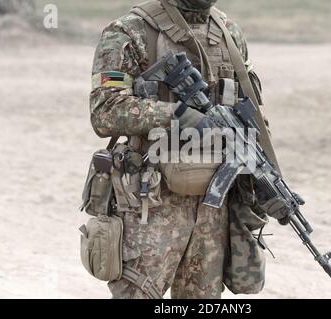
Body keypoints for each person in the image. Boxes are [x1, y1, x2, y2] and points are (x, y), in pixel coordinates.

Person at [89, 0, 268, 299]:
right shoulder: (130, 31)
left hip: (213, 207)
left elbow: (251, 116)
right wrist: (179, 115)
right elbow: (104, 112)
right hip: (149, 201)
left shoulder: (229, 34)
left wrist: (262, 181)